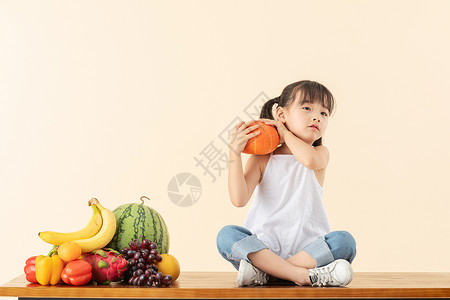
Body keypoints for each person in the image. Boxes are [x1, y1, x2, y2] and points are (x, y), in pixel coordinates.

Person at [216, 80, 357, 287]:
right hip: (263, 250)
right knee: (226, 235)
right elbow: (238, 199)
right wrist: (234, 153)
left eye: (324, 113)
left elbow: (308, 161)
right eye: (307, 108)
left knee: (345, 241)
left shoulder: (320, 154)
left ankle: (269, 274)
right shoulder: (264, 157)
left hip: (309, 251)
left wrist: (284, 133)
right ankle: (300, 276)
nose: (316, 116)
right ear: (281, 115)